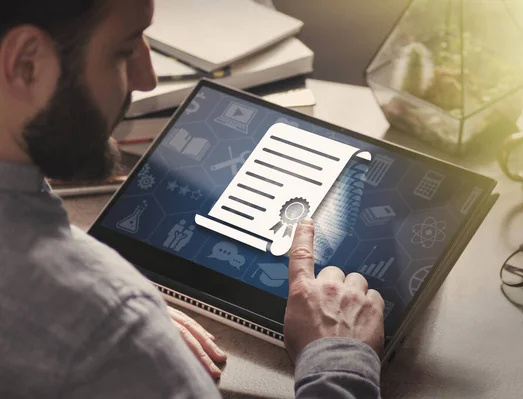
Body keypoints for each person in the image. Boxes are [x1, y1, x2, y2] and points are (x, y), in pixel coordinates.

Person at [0, 1, 385, 398]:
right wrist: (340, 362)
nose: (147, 78)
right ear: (27, 64)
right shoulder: (115, 331)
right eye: (124, 50)